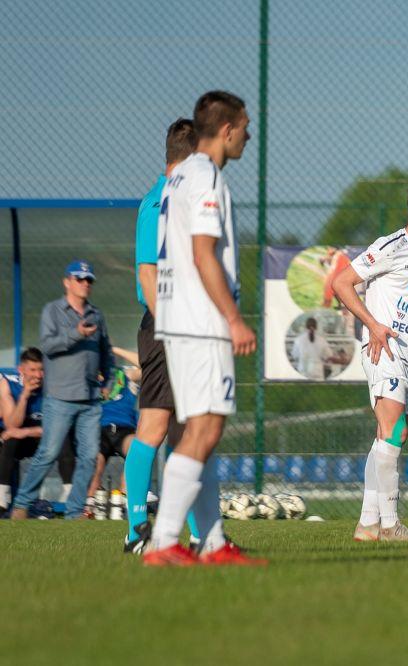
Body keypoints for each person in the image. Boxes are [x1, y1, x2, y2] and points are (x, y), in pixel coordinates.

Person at [143, 90, 263, 566]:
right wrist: (233, 319)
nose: (249, 135)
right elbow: (201, 252)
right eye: (246, 126)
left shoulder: (177, 177)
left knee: (201, 432)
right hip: (202, 321)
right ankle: (164, 542)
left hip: (176, 320)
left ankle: (211, 543)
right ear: (228, 129)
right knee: (206, 430)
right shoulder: (208, 176)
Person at [333, 177, 408, 542]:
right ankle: (389, 524)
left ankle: (367, 525)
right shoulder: (390, 246)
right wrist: (373, 325)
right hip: (386, 351)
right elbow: (341, 283)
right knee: (393, 433)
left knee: (392, 437)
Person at [121, 118, 199, 553]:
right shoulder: (158, 204)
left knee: (188, 431)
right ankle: (136, 530)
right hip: (165, 327)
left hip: (186, 324)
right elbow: (147, 275)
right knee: (154, 425)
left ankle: (198, 531)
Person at [9, 261, 114, 520]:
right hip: (59, 399)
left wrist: (108, 381)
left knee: (89, 457)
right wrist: (76, 333)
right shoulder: (53, 311)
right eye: (79, 279)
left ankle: (75, 511)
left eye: (89, 279)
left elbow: (106, 352)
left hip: (90, 400)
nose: (85, 283)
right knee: (48, 453)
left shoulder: (96, 314)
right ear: (67, 282)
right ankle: (22, 504)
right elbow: (48, 346)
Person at [0, 348, 77, 514]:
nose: (38, 375)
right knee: (9, 440)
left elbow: (60, 426)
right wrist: (25, 395)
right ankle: (2, 498)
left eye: (42, 369)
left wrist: (26, 432)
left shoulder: (55, 386)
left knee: (63, 440)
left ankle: (71, 499)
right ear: (21, 370)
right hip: (19, 440)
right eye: (33, 370)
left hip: (46, 437)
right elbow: (12, 426)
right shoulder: (7, 382)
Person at [85, 363, 140, 505]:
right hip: (99, 430)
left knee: (136, 449)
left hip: (125, 430)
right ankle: (89, 506)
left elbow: (146, 367)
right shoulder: (87, 381)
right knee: (96, 462)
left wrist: (115, 349)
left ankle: (125, 501)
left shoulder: (124, 374)